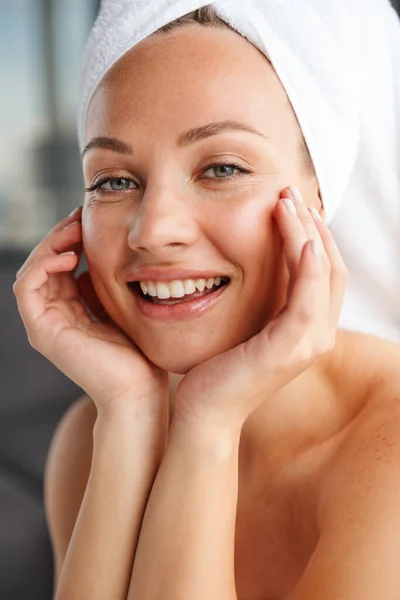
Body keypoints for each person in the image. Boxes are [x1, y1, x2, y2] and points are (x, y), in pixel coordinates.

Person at [13, 4, 400, 600]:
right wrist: (133, 416)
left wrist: (208, 425)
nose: (153, 228)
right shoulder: (98, 432)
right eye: (113, 181)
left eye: (221, 167)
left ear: (319, 197)